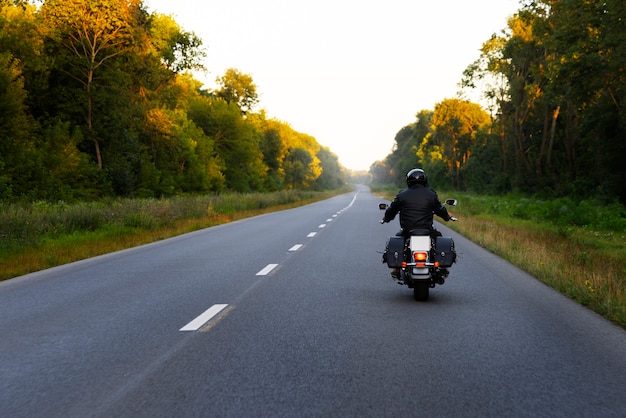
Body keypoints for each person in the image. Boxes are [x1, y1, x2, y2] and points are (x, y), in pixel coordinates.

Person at [381, 168, 454, 278]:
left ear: (408, 181)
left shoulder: (402, 195)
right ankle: (443, 268)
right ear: (425, 181)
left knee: (398, 241)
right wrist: (447, 216)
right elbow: (440, 210)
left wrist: (386, 218)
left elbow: (391, 210)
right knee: (438, 238)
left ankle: (396, 269)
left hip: (407, 231)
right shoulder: (431, 194)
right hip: (427, 230)